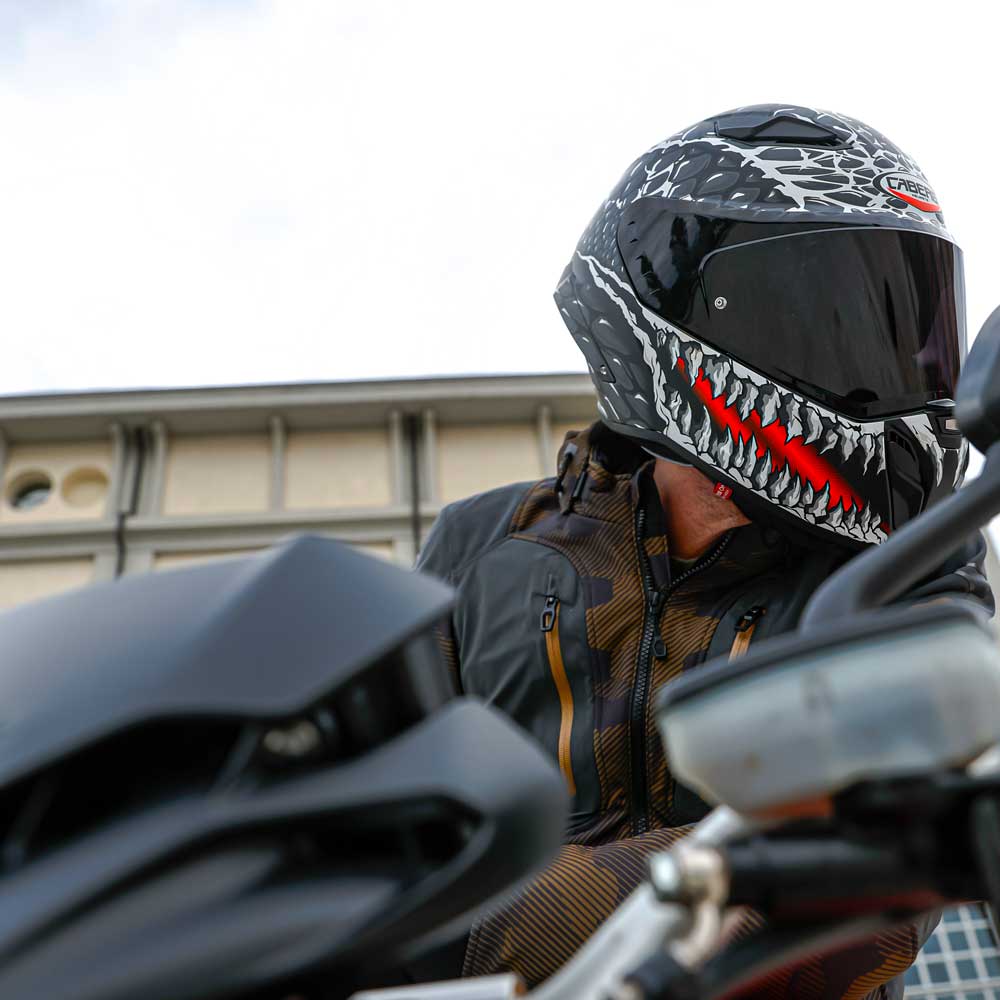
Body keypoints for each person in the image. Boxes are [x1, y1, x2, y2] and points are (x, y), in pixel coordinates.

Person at [416, 104, 994, 998]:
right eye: (825, 319)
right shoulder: (481, 547)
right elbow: (392, 846)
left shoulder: (909, 562)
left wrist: (476, 925)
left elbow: (882, 868)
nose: (883, 359)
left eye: (897, 314)